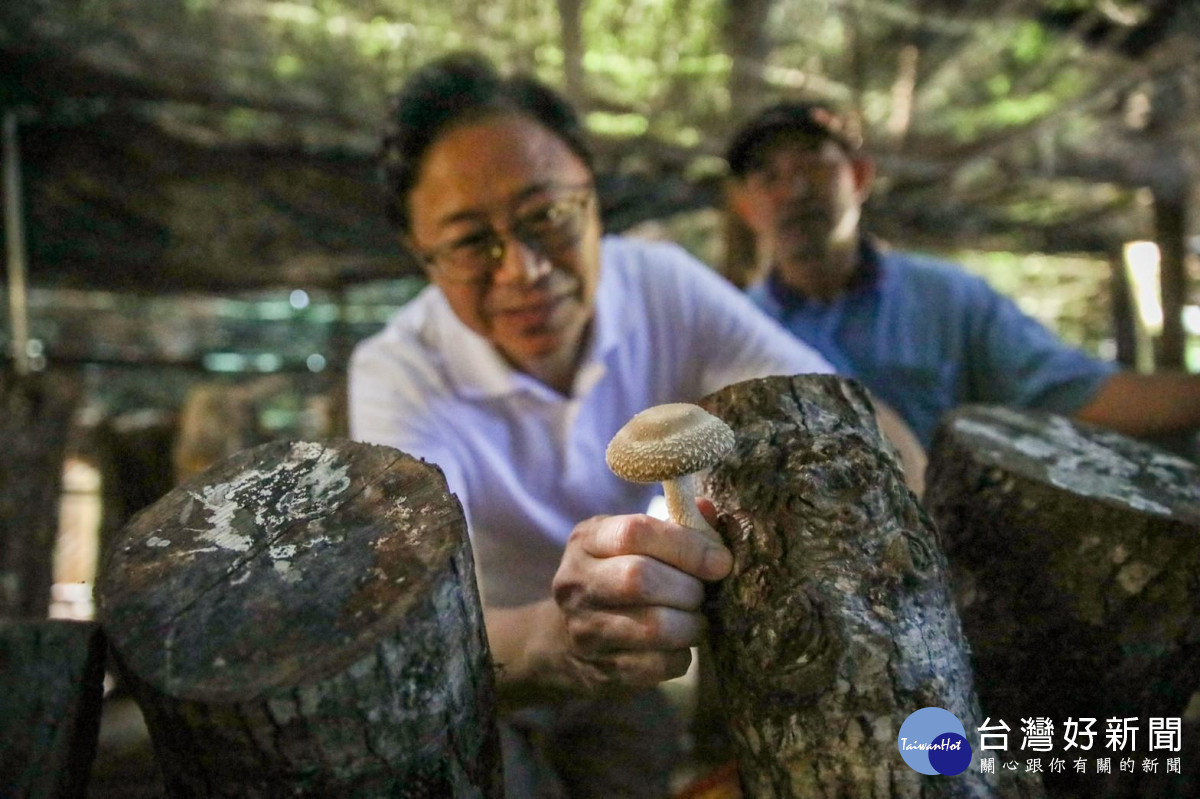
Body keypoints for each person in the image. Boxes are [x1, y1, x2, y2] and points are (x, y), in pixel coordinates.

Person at [348, 54, 923, 797]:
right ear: (419, 255)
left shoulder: (660, 284)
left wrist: (902, 491)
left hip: (628, 673)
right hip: (484, 672)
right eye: (468, 242)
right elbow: (411, 624)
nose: (523, 270)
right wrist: (554, 638)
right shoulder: (397, 372)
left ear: (591, 194)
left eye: (548, 216)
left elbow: (831, 406)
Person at [724, 101, 1200, 450]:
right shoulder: (728, 330)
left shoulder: (948, 299)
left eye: (814, 164)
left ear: (860, 177)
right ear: (746, 206)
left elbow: (1076, 394)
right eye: (769, 177)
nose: (795, 190)